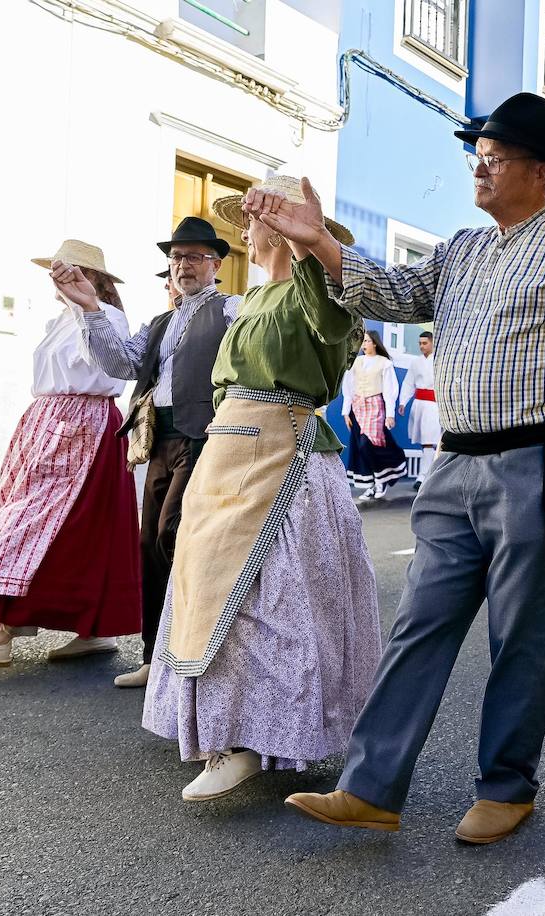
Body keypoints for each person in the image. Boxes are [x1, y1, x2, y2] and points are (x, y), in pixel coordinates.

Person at [249, 92, 545, 843]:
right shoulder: (460, 249)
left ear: (540, 172)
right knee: (419, 624)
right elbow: (393, 293)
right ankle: (372, 787)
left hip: (538, 464)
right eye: (476, 156)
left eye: (495, 157)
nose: (479, 169)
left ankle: (508, 787)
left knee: (521, 632)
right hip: (456, 464)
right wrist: (317, 242)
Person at [81, 176, 379, 800]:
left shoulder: (313, 287)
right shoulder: (250, 300)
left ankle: (245, 739)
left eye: (254, 215)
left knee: (267, 597)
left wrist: (311, 241)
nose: (244, 227)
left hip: (284, 458)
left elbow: (331, 324)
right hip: (228, 451)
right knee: (205, 582)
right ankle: (232, 729)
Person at [0, 241, 141, 667]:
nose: (58, 277)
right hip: (46, 422)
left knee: (29, 524)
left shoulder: (107, 317)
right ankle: (89, 629)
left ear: (94, 279)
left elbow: (108, 367)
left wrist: (86, 307)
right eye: (57, 270)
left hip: (81, 425)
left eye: (70, 271)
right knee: (63, 528)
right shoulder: (58, 319)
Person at [80, 217, 242, 689]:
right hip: (159, 441)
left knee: (173, 536)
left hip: (203, 437)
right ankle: (156, 658)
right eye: (175, 258)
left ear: (215, 265)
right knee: (148, 544)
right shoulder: (160, 323)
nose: (182, 266)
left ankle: (192, 650)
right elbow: (119, 363)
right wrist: (90, 308)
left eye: (193, 257)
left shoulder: (231, 309)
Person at [342, 330, 407, 499]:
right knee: (359, 446)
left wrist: (390, 414)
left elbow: (390, 390)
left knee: (369, 444)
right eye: (363, 342)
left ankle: (381, 480)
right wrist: (345, 412)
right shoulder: (356, 363)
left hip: (375, 407)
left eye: (367, 341)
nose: (364, 345)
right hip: (357, 408)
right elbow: (348, 388)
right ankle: (371, 484)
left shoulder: (384, 363)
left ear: (375, 343)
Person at [397, 330, 440, 489]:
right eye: (420, 343)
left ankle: (425, 476)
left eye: (425, 343)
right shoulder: (416, 362)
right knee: (425, 442)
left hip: (435, 406)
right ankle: (426, 475)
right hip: (419, 405)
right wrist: (403, 402)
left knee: (431, 441)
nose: (421, 346)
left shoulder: (439, 360)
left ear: (432, 342)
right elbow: (409, 383)